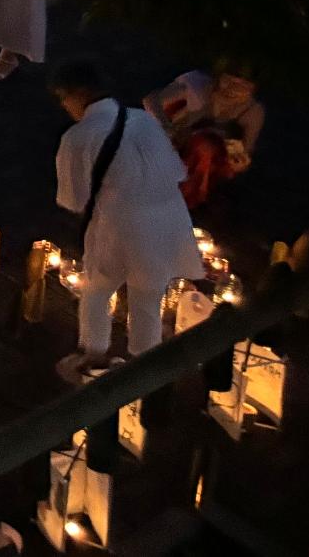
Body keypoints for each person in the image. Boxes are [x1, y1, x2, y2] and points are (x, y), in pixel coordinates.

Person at [50, 60, 203, 381]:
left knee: (97, 291)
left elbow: (74, 200)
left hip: (118, 227)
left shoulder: (77, 139)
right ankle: (142, 372)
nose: (65, 107)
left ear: (77, 96)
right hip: (167, 222)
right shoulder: (144, 122)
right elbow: (176, 171)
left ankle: (93, 356)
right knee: (148, 297)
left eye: (64, 99)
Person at [144, 64, 266, 211]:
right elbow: (151, 100)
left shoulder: (252, 112)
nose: (234, 90)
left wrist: (240, 163)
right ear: (219, 76)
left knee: (205, 146)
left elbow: (245, 152)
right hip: (171, 140)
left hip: (204, 160)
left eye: (243, 86)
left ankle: (181, 202)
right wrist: (167, 129)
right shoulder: (196, 87)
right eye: (229, 81)